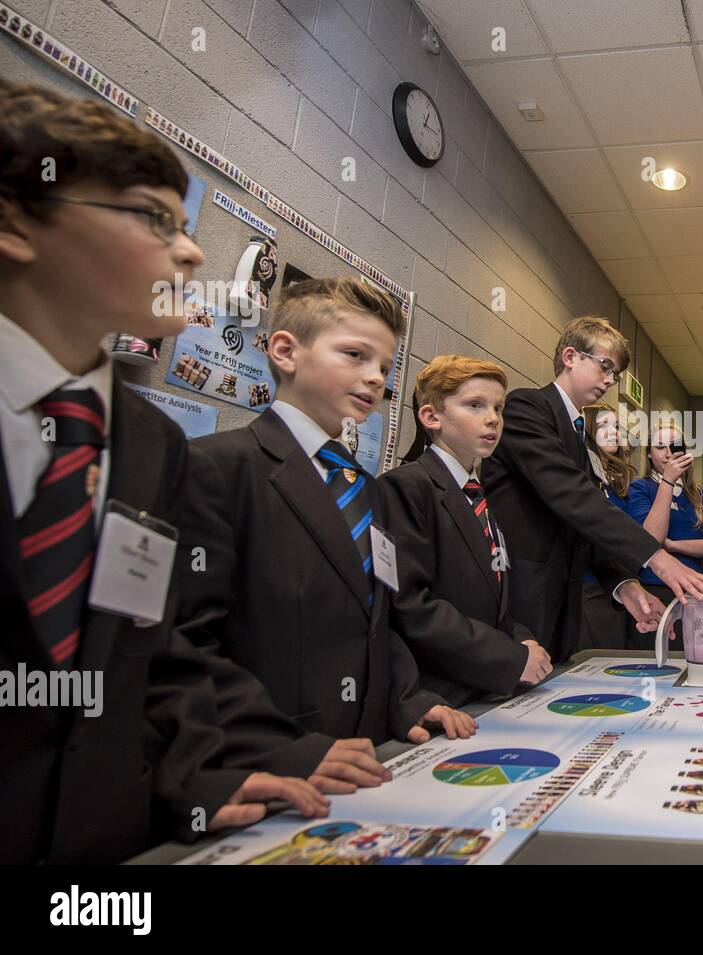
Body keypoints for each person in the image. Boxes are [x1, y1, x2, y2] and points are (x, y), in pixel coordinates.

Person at [0, 82, 327, 863]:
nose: (190, 252)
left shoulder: (146, 439)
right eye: (151, 218)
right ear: (14, 221)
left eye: (186, 225)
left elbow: (147, 636)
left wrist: (194, 779)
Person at [177, 277, 479, 771]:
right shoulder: (217, 467)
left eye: (384, 365)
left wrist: (407, 698)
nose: (376, 378)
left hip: (364, 750)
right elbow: (186, 644)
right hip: (266, 756)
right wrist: (281, 749)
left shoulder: (365, 487)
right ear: (285, 351)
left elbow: (379, 616)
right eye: (355, 355)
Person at [481, 316, 703, 662]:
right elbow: (574, 498)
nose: (610, 380)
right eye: (605, 366)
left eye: (615, 373)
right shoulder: (526, 408)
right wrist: (657, 557)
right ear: (570, 356)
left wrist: (626, 585)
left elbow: (584, 529)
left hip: (563, 604)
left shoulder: (582, 438)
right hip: (521, 598)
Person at [379, 355, 552, 707]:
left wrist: (523, 640)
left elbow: (493, 595)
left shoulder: (480, 493)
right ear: (431, 417)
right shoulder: (404, 487)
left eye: (498, 408)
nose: (492, 418)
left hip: (485, 692)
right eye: (475, 405)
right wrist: (509, 658)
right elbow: (410, 606)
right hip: (439, 694)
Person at [627, 418, 703, 650]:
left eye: (675, 446)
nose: (668, 453)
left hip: (693, 593)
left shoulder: (700, 495)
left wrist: (672, 545)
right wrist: (668, 481)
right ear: (649, 454)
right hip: (652, 590)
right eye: (660, 447)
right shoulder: (640, 488)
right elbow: (650, 539)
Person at [577, 405, 639, 651]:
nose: (613, 432)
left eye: (615, 426)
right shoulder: (582, 481)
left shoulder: (615, 485)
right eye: (603, 425)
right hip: (588, 587)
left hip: (617, 586)